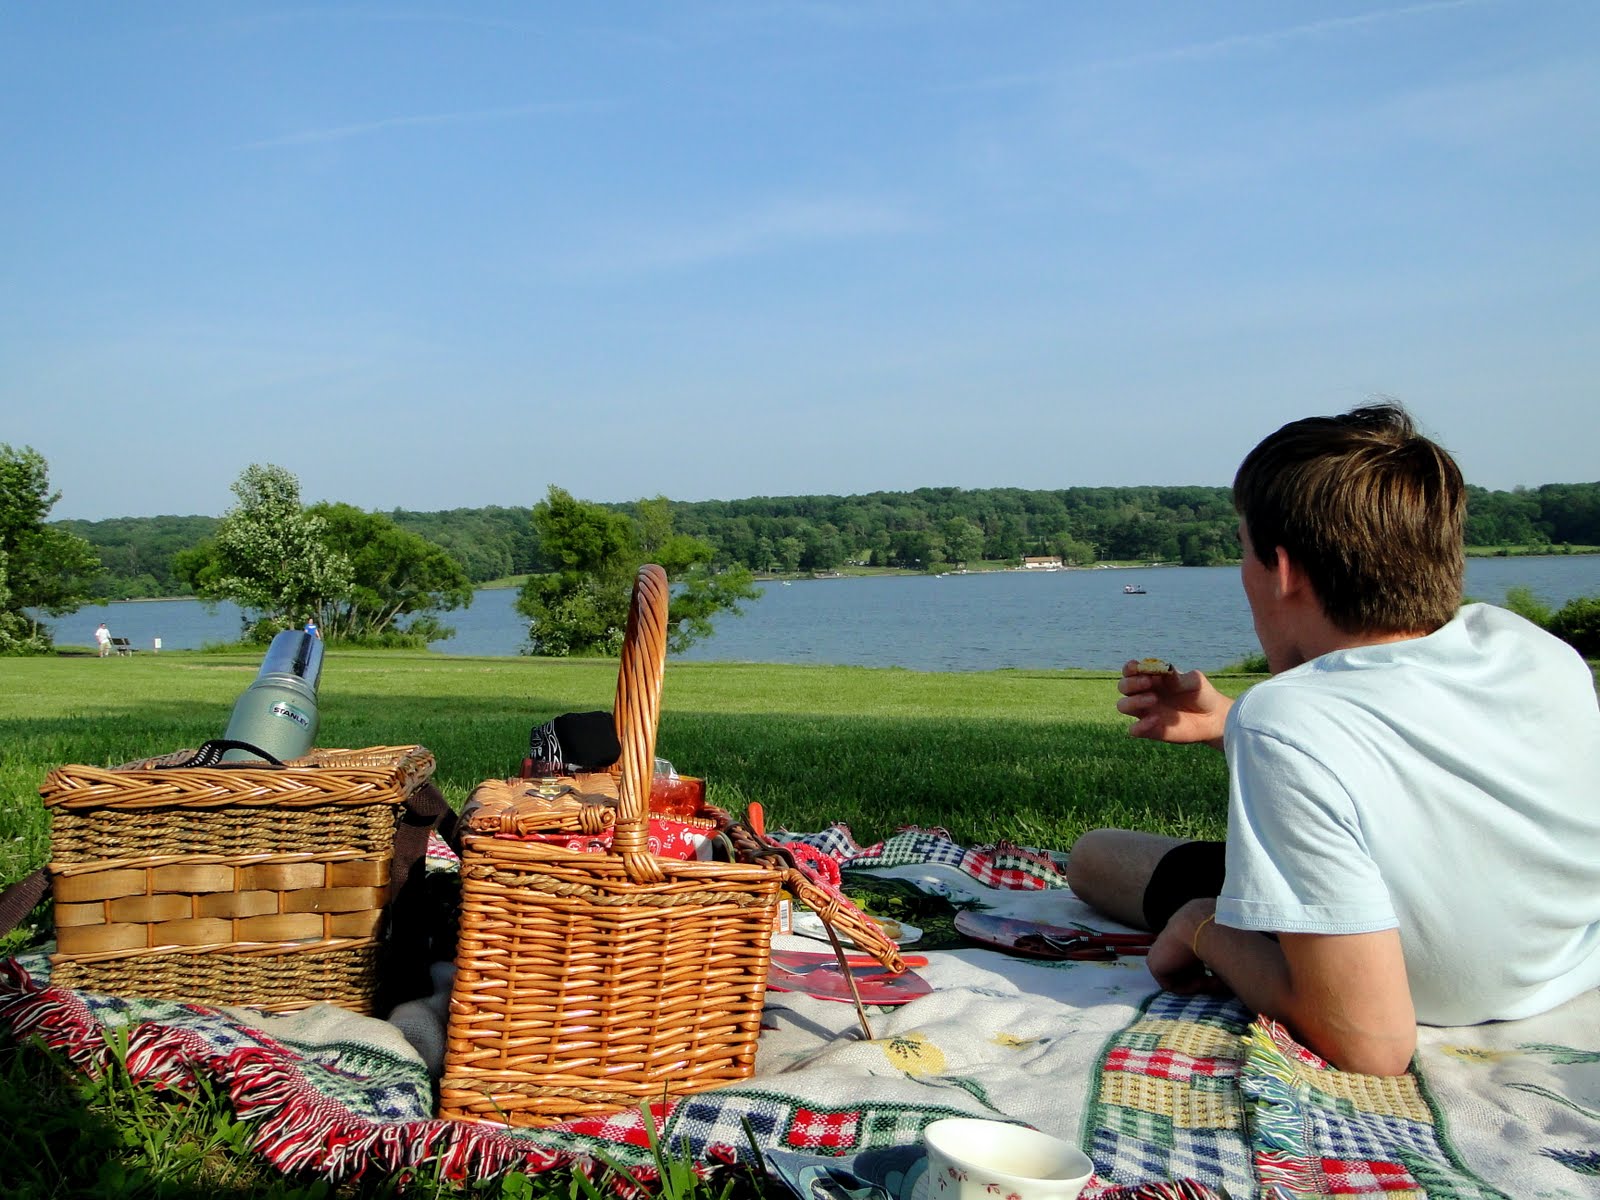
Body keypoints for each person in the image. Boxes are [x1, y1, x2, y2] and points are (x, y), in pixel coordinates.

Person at [1066, 403, 1600, 1076]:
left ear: (1283, 570)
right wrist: (1226, 723)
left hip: (1423, 986)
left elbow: (1370, 1044)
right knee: (1095, 860)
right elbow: (1419, 755)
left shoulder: (1287, 716)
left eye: (1243, 551)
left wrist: (1206, 928)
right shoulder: (1529, 648)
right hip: (1555, 961)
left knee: (1095, 858)